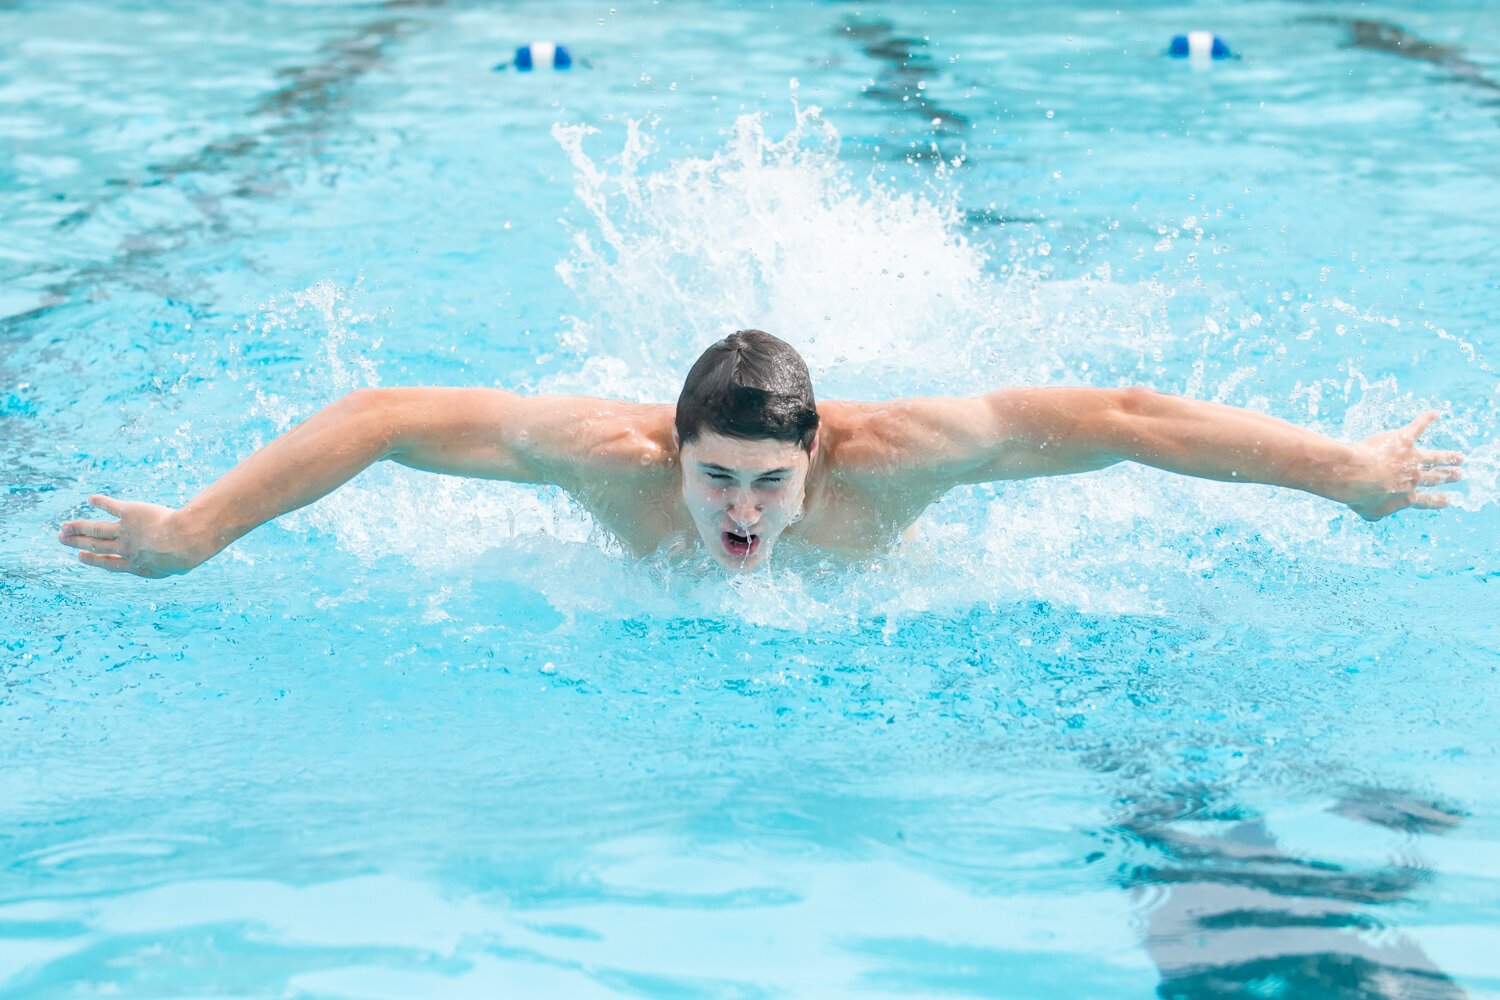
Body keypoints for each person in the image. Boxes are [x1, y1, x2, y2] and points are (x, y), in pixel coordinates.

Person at [59, 329, 1464, 577]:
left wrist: (1343, 473)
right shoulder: (606, 458)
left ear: (813, 467)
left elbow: (1124, 419)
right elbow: (378, 418)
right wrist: (193, 531)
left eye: (765, 483)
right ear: (670, 451)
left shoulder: (891, 459)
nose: (738, 506)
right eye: (716, 474)